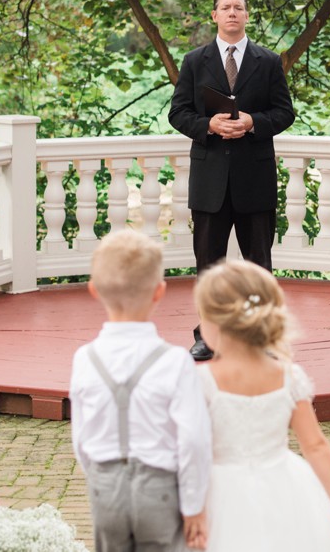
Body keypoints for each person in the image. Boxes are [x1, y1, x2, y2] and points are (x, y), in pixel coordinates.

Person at [194, 259, 330, 551]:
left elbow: (192, 450)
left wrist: (190, 510)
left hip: (220, 494)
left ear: (215, 323)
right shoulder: (288, 376)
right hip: (285, 487)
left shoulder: (201, 381)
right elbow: (315, 445)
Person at [168, 0, 296, 361]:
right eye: (225, 8)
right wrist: (210, 126)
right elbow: (178, 113)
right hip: (210, 182)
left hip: (254, 180)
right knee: (209, 264)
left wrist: (253, 122)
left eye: (238, 7)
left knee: (259, 264)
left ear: (246, 15)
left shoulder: (269, 61)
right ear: (215, 15)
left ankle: (263, 337)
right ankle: (208, 334)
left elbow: (285, 112)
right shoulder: (194, 61)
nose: (232, 13)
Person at [70, 229, 212, 551]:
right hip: (159, 488)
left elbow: (81, 436)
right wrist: (194, 506)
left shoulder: (84, 359)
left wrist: (99, 479)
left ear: (93, 290)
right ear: (159, 292)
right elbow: (193, 440)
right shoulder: (175, 361)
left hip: (104, 488)